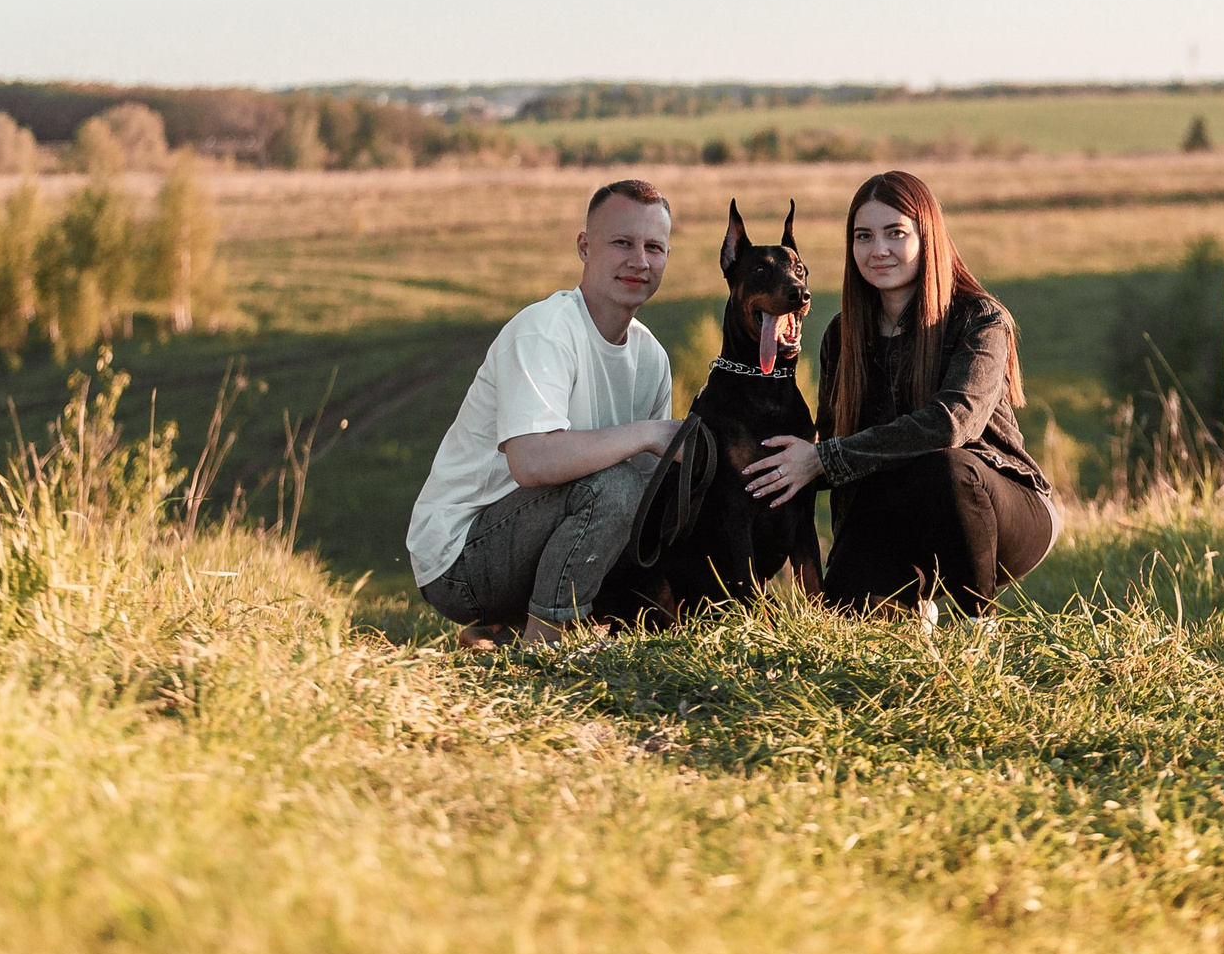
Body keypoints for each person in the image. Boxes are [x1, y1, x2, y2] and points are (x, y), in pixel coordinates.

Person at [742, 169, 1056, 620]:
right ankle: (914, 612)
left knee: (943, 466)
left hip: (998, 509)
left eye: (895, 233)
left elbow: (952, 425)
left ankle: (976, 631)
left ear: (927, 236)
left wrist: (824, 457)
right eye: (863, 236)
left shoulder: (980, 320)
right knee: (848, 622)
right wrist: (789, 463)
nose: (878, 250)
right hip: (894, 515)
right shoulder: (841, 336)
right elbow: (840, 447)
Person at [409, 179, 679, 643]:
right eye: (622, 243)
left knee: (653, 508)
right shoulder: (545, 331)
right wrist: (648, 434)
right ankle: (545, 641)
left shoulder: (651, 359)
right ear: (584, 247)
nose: (639, 261)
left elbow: (640, 507)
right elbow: (531, 462)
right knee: (614, 487)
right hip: (459, 560)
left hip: (532, 544)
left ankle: (503, 635)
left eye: (653, 247)